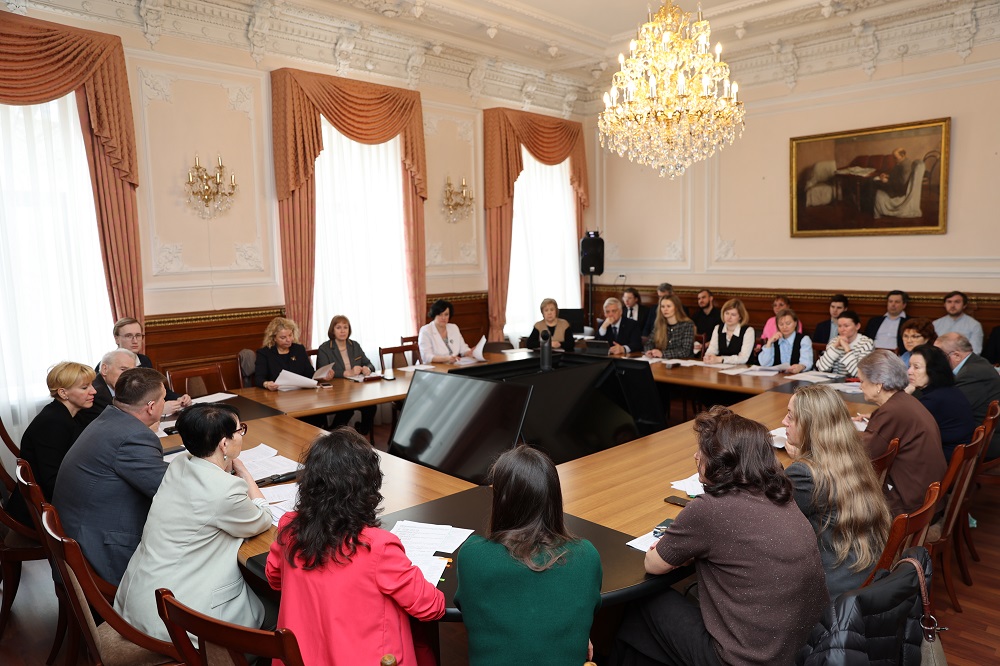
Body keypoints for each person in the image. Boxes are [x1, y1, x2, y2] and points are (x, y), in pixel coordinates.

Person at [612, 407, 827, 666]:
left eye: (702, 450)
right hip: (799, 650)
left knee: (643, 603)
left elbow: (653, 564)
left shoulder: (709, 509)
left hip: (743, 659)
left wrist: (683, 551)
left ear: (721, 460)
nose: (695, 456)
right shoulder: (780, 495)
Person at [266, 428, 445, 665]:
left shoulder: (289, 527)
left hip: (299, 658)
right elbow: (432, 607)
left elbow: (274, 578)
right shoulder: (378, 547)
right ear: (367, 486)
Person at [114, 404, 273, 641]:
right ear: (224, 444)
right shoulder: (225, 491)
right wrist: (245, 474)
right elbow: (262, 519)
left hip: (139, 599)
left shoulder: (180, 463)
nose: (242, 435)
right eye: (240, 430)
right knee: (278, 609)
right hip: (175, 619)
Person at [455, 445, 602, 665]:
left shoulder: (472, 555)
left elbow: (469, 608)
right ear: (554, 498)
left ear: (502, 501)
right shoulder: (587, 556)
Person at [52, 367, 169, 585]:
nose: (165, 402)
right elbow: (169, 491)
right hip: (100, 552)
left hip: (77, 535)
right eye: (164, 398)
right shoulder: (134, 436)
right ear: (151, 407)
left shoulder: (109, 418)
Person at [781, 385, 892, 596]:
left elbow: (772, 523)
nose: (784, 422)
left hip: (835, 591)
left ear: (810, 426)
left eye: (791, 416)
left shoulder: (804, 475)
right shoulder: (850, 456)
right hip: (865, 569)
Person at [3, 362, 97, 528]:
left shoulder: (66, 414)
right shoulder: (53, 423)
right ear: (63, 393)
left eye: (91, 385)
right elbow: (52, 482)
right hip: (39, 512)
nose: (93, 391)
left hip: (51, 500)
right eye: (85, 387)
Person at [856, 351, 947, 516]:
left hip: (910, 505)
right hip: (926, 495)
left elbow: (861, 455)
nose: (860, 386)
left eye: (862, 381)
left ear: (878, 384)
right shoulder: (904, 401)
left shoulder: (891, 412)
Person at [905, 344, 977, 460]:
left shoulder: (934, 400)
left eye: (916, 367)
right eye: (909, 366)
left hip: (945, 459)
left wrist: (904, 395)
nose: (909, 371)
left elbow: (900, 425)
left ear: (933, 370)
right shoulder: (948, 390)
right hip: (957, 454)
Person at [935, 332, 1000, 459]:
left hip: (983, 442)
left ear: (956, 355)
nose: (934, 361)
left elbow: (951, 409)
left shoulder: (972, 373)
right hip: (977, 434)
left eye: (937, 356)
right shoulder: (975, 364)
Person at [109, 317, 191, 411]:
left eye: (138, 335)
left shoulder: (144, 360)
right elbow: (119, 403)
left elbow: (158, 389)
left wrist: (179, 399)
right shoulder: (109, 365)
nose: (135, 341)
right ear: (116, 339)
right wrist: (158, 410)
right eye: (128, 336)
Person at [317, 315, 377, 435]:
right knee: (347, 409)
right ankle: (333, 434)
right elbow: (321, 371)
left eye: (345, 327)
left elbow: (369, 363)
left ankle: (361, 433)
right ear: (332, 330)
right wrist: (345, 373)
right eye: (338, 327)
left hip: (355, 390)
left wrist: (368, 369)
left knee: (371, 406)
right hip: (335, 392)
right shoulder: (324, 348)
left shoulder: (354, 345)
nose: (343, 331)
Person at [77, 348, 139, 426]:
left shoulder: (122, 388)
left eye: (132, 371)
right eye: (123, 369)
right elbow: (116, 425)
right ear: (105, 369)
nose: (129, 376)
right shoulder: (95, 394)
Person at [255, 316, 320, 390]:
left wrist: (321, 376)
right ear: (274, 338)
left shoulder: (299, 349)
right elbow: (259, 378)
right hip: (276, 393)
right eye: (283, 338)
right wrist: (266, 384)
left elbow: (309, 373)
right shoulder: (264, 353)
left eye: (290, 335)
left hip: (300, 392)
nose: (288, 340)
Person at [815, 310, 874, 377]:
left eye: (846, 326)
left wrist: (847, 350)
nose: (842, 329)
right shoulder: (834, 341)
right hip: (834, 381)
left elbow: (860, 374)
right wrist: (835, 348)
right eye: (839, 326)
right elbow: (821, 368)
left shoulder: (866, 343)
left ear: (857, 326)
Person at [758, 308, 813, 373]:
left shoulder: (803, 339)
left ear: (795, 323)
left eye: (788, 323)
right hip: (778, 377)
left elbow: (807, 362)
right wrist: (769, 343)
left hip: (797, 376)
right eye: (781, 324)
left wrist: (800, 367)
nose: (784, 327)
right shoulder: (775, 340)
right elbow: (764, 364)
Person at [418, 299, 474, 363]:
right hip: (433, 367)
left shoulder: (453, 328)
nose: (443, 318)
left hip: (454, 365)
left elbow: (463, 349)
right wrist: (446, 359)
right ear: (434, 315)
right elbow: (426, 357)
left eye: (446, 314)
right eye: (440, 314)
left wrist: (470, 352)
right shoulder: (425, 331)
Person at [703, 298, 755, 365]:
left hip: (743, 368)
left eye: (733, 315)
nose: (729, 317)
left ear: (740, 317)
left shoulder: (748, 331)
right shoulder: (718, 328)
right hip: (720, 368)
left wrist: (720, 359)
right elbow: (712, 349)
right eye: (727, 313)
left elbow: (743, 358)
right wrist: (709, 356)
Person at [644, 295, 695, 359]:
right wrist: (649, 351)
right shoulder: (659, 323)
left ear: (676, 308)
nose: (665, 309)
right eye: (662, 307)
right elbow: (649, 343)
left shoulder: (687, 324)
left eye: (668, 306)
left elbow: (685, 351)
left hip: (683, 361)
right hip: (662, 361)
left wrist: (663, 354)